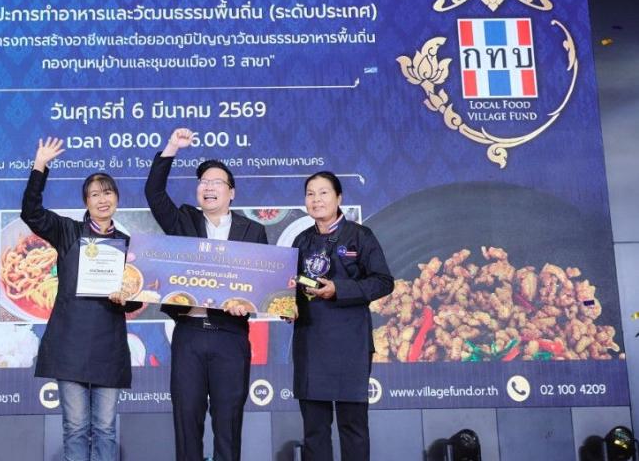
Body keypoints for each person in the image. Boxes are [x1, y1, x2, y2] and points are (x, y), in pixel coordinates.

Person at [144, 127, 268, 461]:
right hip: (190, 335)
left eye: (216, 182)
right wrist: (171, 146)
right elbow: (154, 193)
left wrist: (248, 303)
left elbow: (261, 285)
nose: (208, 187)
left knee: (228, 425)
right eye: (203, 182)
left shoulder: (253, 231)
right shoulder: (183, 221)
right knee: (187, 424)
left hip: (230, 337)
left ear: (232, 193)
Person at [21, 137, 140, 461]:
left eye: (108, 192)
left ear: (117, 198)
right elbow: (31, 212)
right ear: (86, 201)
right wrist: (40, 165)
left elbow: (134, 299)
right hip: (69, 344)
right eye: (95, 194)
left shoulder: (129, 245)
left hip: (108, 347)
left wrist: (125, 299)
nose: (102, 199)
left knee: (105, 429)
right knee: (75, 428)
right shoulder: (68, 231)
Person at [290, 171, 394, 461]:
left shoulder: (360, 236)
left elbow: (383, 282)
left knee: (353, 428)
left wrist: (339, 289)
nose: (316, 199)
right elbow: (290, 287)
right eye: (310, 194)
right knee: (314, 431)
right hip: (311, 343)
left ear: (339, 198)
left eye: (323, 192)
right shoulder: (300, 241)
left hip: (351, 344)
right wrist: (288, 306)